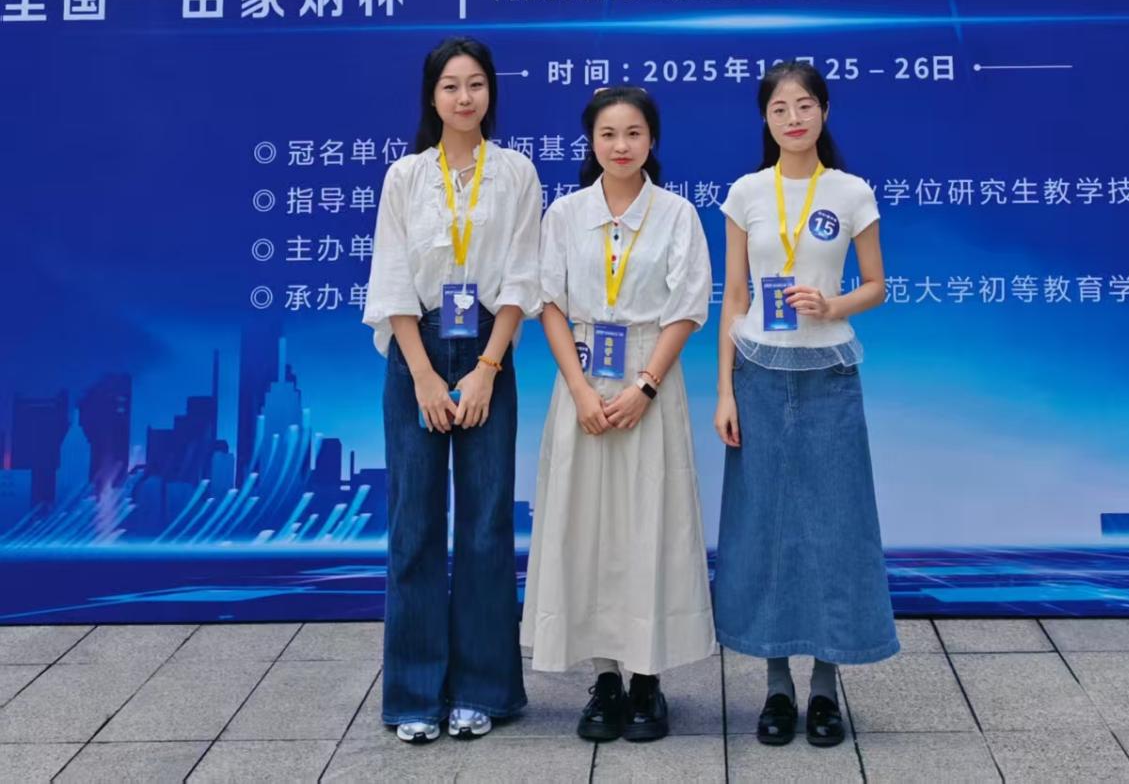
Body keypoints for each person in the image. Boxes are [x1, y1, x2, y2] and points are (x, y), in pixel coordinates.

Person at [712, 60, 899, 748]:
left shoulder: (851, 192)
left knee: (834, 526)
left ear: (824, 111)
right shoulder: (746, 193)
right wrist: (725, 390)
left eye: (804, 106)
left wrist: (833, 304)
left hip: (829, 374)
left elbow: (877, 284)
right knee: (764, 526)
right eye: (780, 109)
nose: (793, 119)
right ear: (766, 120)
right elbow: (734, 297)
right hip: (758, 375)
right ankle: (775, 685)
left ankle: (824, 685)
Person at [522, 86, 715, 743]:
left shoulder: (677, 214)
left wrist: (645, 387)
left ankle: (647, 679)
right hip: (581, 377)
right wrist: (580, 390)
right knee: (586, 527)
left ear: (652, 140)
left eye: (633, 133)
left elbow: (688, 307)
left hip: (648, 377)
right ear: (591, 141)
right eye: (608, 134)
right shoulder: (565, 214)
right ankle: (604, 678)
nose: (621, 145)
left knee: (647, 525)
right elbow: (548, 302)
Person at [363, 37, 542, 744]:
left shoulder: (517, 172)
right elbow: (391, 279)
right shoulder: (406, 176)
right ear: (432, 96)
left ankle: (482, 690)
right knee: (413, 525)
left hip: (488, 351)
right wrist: (425, 375)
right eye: (450, 86)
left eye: (476, 84)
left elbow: (523, 277)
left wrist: (487, 368)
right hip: (418, 350)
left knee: (486, 526)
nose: (464, 98)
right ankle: (413, 694)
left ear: (491, 92)